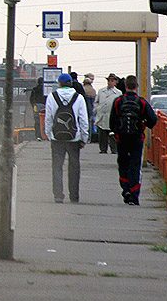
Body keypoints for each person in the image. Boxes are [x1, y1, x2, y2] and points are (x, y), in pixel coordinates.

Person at [109, 75, 157, 205]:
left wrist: (117, 131)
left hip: (122, 138)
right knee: (135, 165)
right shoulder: (141, 102)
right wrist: (144, 123)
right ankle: (134, 194)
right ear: (136, 87)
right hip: (137, 138)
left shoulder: (118, 101)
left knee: (123, 163)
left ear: (125, 87)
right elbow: (153, 120)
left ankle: (126, 190)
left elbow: (112, 122)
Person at [44, 73, 90, 203]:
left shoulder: (52, 97)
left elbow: (48, 118)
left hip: (56, 137)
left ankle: (58, 195)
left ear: (59, 83)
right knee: (74, 167)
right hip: (74, 138)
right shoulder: (79, 98)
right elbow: (83, 120)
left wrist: (49, 134)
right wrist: (84, 138)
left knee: (57, 166)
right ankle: (74, 196)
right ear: (71, 83)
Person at [95, 73, 122, 154]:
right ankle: (103, 149)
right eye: (109, 80)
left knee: (112, 134)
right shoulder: (101, 91)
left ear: (115, 82)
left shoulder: (118, 93)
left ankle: (114, 149)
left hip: (112, 116)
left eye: (112, 81)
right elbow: (96, 102)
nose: (110, 82)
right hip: (102, 115)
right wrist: (97, 109)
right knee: (102, 134)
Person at [82, 74, 97, 142]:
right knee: (91, 123)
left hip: (85, 109)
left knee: (85, 123)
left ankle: (85, 137)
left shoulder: (84, 89)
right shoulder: (93, 90)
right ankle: (90, 138)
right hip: (92, 109)